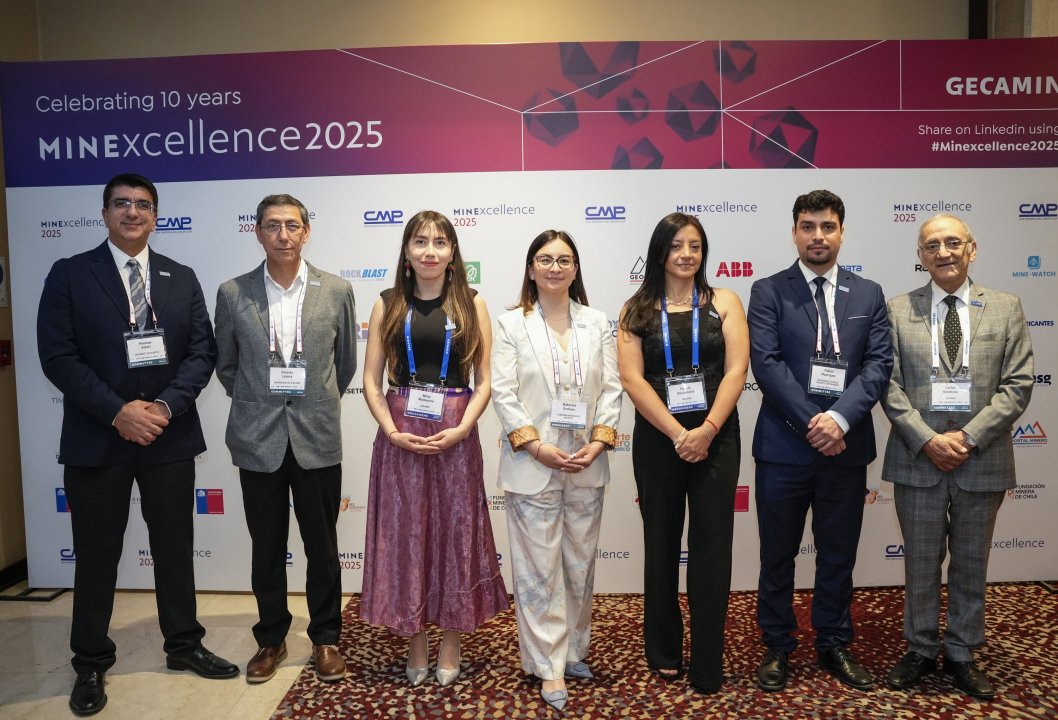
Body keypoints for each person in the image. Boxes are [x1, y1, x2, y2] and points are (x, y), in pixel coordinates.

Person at [37, 173, 238, 716]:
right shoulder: (70, 274)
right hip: (97, 438)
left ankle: (184, 644)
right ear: (104, 213)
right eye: (122, 203)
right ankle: (90, 661)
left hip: (168, 436)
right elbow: (57, 357)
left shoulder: (180, 276)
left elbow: (202, 353)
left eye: (143, 205)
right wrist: (118, 412)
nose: (133, 212)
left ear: (156, 216)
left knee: (174, 547)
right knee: (96, 555)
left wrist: (164, 407)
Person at [881, 214, 1033, 701]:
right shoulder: (896, 309)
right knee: (920, 562)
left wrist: (967, 438)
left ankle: (963, 651)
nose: (942, 252)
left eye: (952, 242)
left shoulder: (1006, 307)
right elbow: (888, 385)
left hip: (981, 458)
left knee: (971, 562)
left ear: (972, 248)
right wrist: (928, 439)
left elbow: (1017, 384)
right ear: (920, 256)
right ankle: (921, 648)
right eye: (932, 245)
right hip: (918, 457)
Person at [747, 189, 893, 693]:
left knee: (838, 554)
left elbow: (878, 366)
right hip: (784, 448)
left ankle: (833, 642)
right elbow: (766, 364)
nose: (818, 236)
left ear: (841, 232)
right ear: (794, 232)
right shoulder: (768, 290)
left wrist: (840, 421)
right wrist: (817, 423)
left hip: (845, 450)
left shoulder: (868, 293)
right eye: (808, 226)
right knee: (777, 554)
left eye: (827, 226)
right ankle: (777, 645)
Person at [360, 210, 508, 687]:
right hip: (400, 433)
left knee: (455, 535)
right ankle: (416, 636)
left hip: (455, 432)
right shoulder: (387, 303)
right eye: (420, 242)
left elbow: (485, 381)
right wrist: (390, 430)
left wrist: (463, 429)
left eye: (440, 242)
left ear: (452, 252)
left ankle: (451, 638)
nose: (429, 251)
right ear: (406, 252)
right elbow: (371, 380)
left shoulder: (472, 302)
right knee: (408, 535)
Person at [214, 194, 357, 684]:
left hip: (316, 435)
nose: (283, 235)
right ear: (257, 232)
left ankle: (326, 638)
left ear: (306, 232)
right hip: (258, 439)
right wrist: (262, 399)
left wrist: (308, 400)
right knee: (267, 547)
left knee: (323, 547)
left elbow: (344, 365)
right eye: (272, 225)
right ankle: (271, 638)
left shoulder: (335, 290)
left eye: (292, 225)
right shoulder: (233, 292)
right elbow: (227, 366)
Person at [617, 212, 748, 694]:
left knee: (713, 548)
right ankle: (664, 650)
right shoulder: (635, 309)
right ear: (660, 252)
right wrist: (678, 434)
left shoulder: (725, 302)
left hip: (717, 437)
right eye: (676, 246)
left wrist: (706, 430)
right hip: (659, 439)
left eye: (695, 246)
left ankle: (708, 660)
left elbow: (737, 370)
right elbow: (632, 379)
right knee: (661, 544)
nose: (687, 254)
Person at [492, 230, 622, 711]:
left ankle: (573, 651)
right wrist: (535, 445)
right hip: (534, 463)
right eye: (545, 259)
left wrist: (599, 441)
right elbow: (503, 392)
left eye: (564, 260)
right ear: (530, 269)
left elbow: (612, 389)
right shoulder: (511, 324)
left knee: (579, 566)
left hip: (586, 463)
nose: (554, 267)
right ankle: (547, 665)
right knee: (536, 570)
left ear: (575, 269)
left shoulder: (597, 322)